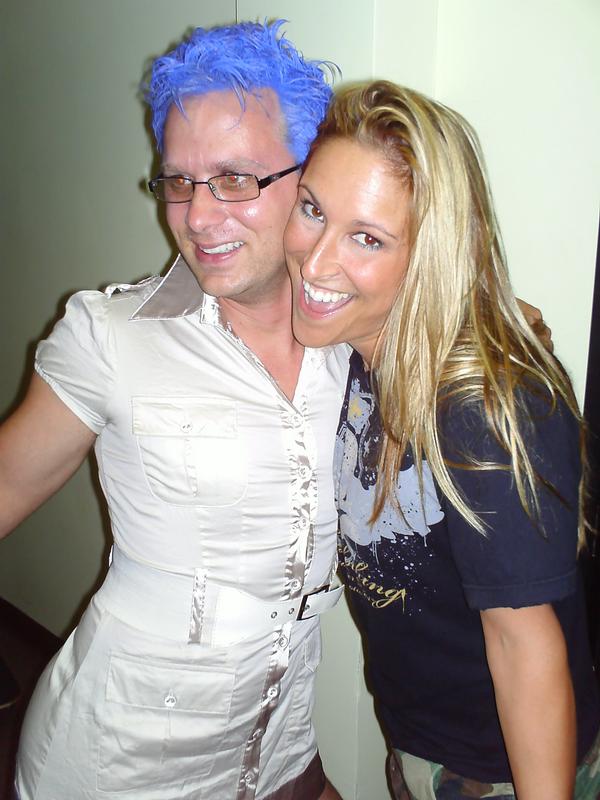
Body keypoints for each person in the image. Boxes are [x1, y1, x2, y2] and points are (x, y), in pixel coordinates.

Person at [0, 20, 346, 800]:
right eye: (178, 182)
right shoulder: (110, 337)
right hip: (118, 764)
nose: (196, 216)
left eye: (234, 179)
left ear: (310, 181)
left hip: (278, 748)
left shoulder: (357, 341)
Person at [284, 80, 600, 799]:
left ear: (432, 253)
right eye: (312, 209)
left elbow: (522, 646)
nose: (315, 261)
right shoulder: (349, 341)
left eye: (368, 237)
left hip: (503, 769)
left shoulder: (484, 408)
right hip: (417, 740)